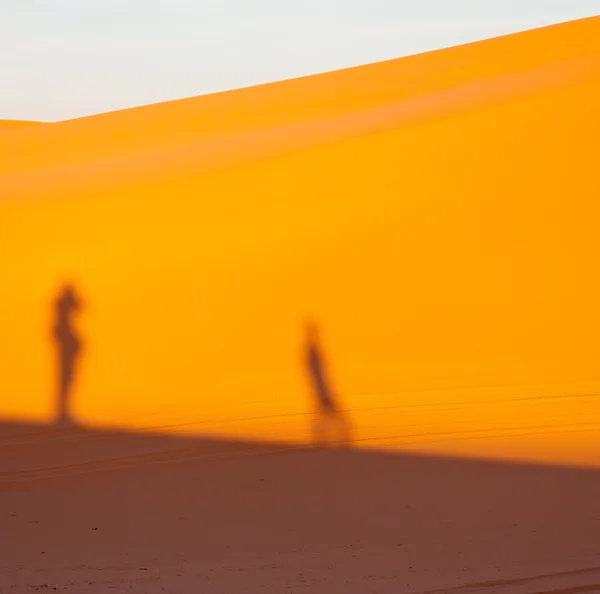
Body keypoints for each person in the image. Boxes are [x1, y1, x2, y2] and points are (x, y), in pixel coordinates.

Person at [304, 320, 352, 447]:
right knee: (335, 416)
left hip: (321, 388)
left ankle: (321, 439)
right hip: (323, 389)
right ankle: (338, 440)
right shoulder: (312, 350)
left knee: (323, 415)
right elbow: (316, 371)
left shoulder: (312, 349)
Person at [53, 283, 83, 425]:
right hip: (66, 349)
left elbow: (81, 306)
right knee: (64, 379)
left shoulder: (62, 327)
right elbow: (80, 306)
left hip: (67, 346)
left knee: (67, 379)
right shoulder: (62, 326)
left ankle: (63, 411)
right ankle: (62, 412)